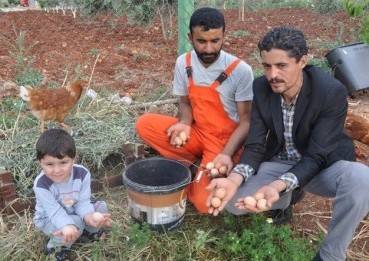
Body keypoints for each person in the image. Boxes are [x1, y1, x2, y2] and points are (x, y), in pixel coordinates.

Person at [205, 27, 369, 261]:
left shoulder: (330, 92)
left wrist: (277, 186)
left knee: (362, 179)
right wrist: (233, 178)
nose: (272, 74)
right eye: (266, 66)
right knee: (232, 201)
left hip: (323, 165)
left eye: (281, 66)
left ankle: (330, 254)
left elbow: (316, 157)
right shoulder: (261, 88)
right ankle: (289, 195)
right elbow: (255, 146)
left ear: (302, 61)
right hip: (283, 160)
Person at [135, 7, 254, 213]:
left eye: (215, 41)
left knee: (202, 203)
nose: (208, 48)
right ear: (190, 37)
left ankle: (203, 172)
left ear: (224, 35)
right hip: (198, 133)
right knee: (145, 124)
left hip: (224, 142)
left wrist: (226, 154)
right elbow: (185, 102)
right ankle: (192, 163)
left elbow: (246, 122)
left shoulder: (240, 71)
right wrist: (184, 123)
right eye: (201, 41)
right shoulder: (184, 63)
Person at [33, 129, 113, 260]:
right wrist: (68, 225)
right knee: (75, 223)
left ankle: (89, 230)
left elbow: (83, 202)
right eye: (49, 164)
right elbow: (55, 212)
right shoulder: (42, 184)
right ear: (40, 162)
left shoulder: (82, 174)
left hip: (72, 208)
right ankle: (56, 247)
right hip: (49, 219)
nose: (57, 170)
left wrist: (89, 217)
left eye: (63, 162)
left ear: (74, 158)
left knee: (101, 207)